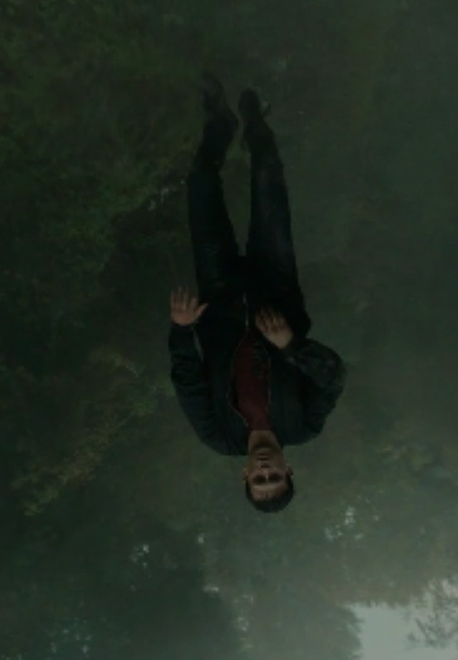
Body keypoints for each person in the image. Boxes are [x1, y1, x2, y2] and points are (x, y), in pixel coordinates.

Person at [167, 73, 347, 513]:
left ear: (246, 476)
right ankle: (253, 120)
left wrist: (182, 329)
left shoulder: (218, 436)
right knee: (266, 171)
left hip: (219, 294)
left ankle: (220, 124)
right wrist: (291, 346)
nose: (265, 471)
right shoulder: (304, 426)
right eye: (275, 478)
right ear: (289, 470)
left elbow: (188, 382)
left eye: (259, 480)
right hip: (276, 283)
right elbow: (333, 376)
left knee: (201, 182)